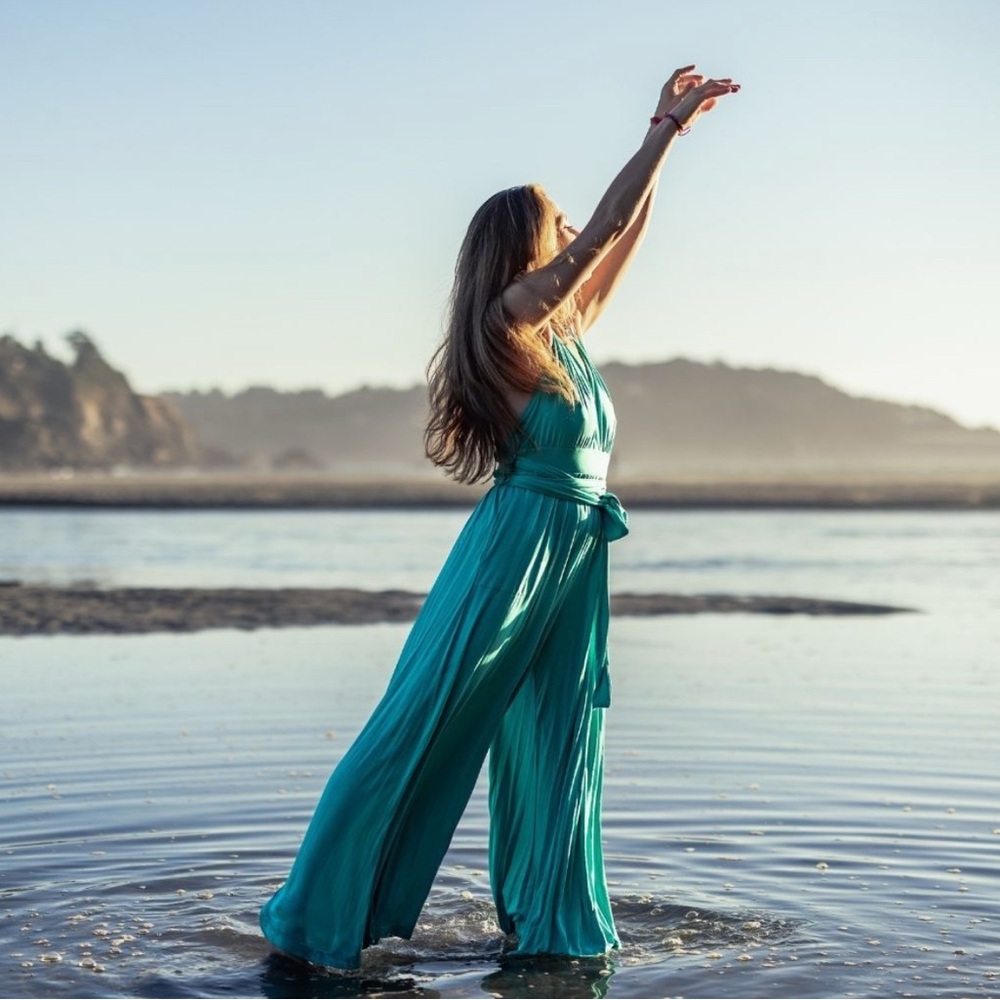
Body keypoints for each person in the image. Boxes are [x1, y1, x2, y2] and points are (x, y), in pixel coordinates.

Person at [260, 64, 739, 969]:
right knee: (425, 719)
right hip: (515, 548)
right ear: (526, 238)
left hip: (573, 551)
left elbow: (621, 234)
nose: (571, 227)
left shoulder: (562, 333)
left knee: (562, 734)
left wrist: (671, 154)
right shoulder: (513, 314)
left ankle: (550, 925)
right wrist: (660, 127)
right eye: (553, 217)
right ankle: (312, 914)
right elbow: (598, 233)